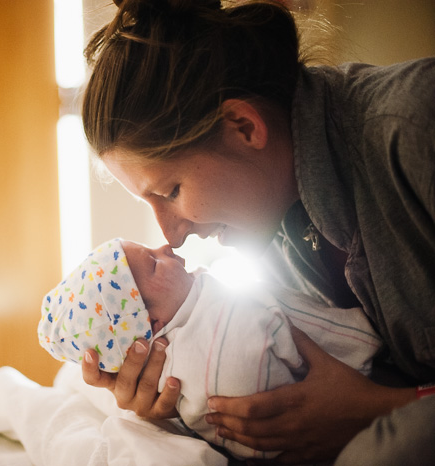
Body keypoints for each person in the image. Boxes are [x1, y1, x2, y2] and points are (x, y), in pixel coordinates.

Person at [77, 0, 435, 464]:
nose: (173, 235)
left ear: (243, 127)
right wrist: (180, 404)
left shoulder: (412, 129)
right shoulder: (273, 228)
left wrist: (381, 410)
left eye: (172, 191)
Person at [38, 238, 381, 460]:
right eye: (155, 263)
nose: (167, 248)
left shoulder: (196, 306)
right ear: (152, 324)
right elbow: (250, 371)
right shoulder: (211, 337)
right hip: (367, 373)